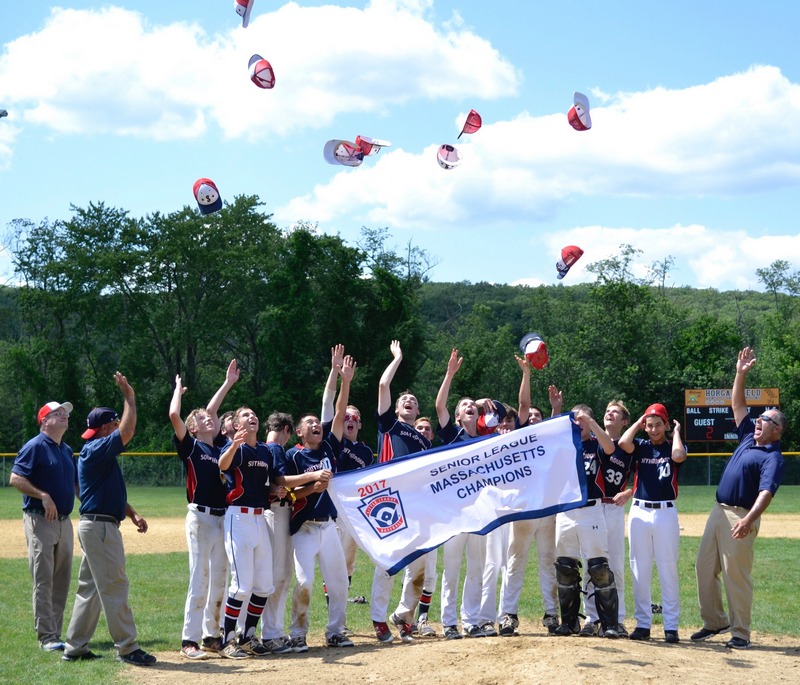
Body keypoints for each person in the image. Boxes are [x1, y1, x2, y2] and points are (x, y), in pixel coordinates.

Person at [693, 347, 786, 650]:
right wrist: (740, 373)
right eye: (760, 417)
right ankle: (715, 621)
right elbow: (737, 403)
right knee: (704, 568)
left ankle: (741, 633)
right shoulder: (748, 434)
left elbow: (766, 492)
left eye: (767, 419)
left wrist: (748, 520)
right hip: (718, 511)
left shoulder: (773, 457)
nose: (759, 420)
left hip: (740, 516)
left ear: (778, 431)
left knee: (736, 576)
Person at [62, 372, 156, 666]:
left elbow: (109, 494)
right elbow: (127, 434)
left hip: (99, 524)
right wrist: (130, 397)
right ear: (106, 428)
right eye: (114, 423)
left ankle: (75, 646)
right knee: (115, 585)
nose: (118, 427)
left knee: (89, 590)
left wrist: (132, 513)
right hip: (100, 528)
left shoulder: (98, 453)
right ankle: (128, 647)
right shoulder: (95, 449)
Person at [280, 355, 357, 651]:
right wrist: (312, 485)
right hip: (304, 528)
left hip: (329, 527)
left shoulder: (328, 447)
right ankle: (298, 633)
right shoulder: (294, 456)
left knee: (339, 584)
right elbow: (284, 491)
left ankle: (335, 632)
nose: (316, 425)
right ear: (299, 432)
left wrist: (345, 380)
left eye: (317, 422)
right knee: (304, 582)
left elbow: (338, 412)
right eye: (309, 423)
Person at [169, 360, 239, 660]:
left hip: (222, 519)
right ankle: (189, 640)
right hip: (199, 517)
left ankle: (213, 636)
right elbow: (174, 414)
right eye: (199, 418)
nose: (207, 418)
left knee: (219, 579)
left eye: (208, 417)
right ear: (193, 427)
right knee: (200, 578)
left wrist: (228, 383)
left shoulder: (221, 447)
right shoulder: (192, 447)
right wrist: (177, 391)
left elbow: (212, 412)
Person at [371, 340, 431, 643]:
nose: (409, 400)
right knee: (388, 561)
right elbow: (383, 383)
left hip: (416, 503)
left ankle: (404, 615)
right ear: (396, 408)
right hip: (390, 499)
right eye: (404, 398)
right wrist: (397, 357)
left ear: (419, 410)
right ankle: (378, 619)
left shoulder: (424, 442)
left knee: (417, 564)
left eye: (414, 399)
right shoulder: (390, 426)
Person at [551, 397, 620, 640]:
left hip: (591, 509)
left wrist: (589, 420)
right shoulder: (564, 444)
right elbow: (548, 437)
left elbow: (611, 449)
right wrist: (557, 410)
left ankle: (609, 624)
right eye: (574, 420)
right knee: (565, 568)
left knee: (599, 568)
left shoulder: (597, 445)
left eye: (581, 420)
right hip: (566, 512)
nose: (576, 424)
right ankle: (569, 622)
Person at [10, 400, 77, 651]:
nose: (64, 416)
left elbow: (74, 485)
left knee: (62, 580)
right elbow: (16, 478)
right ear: (44, 421)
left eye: (65, 414)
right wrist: (43, 495)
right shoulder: (35, 446)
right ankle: (46, 637)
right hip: (40, 519)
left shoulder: (66, 449)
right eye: (57, 413)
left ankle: (56, 634)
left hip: (64, 521)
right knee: (44, 578)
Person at [618, 403, 687, 643]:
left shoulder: (672, 446)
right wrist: (639, 423)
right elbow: (623, 444)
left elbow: (678, 456)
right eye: (650, 425)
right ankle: (643, 623)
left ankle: (671, 626)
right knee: (640, 569)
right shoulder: (641, 446)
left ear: (666, 425)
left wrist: (676, 432)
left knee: (668, 568)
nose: (654, 429)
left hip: (666, 512)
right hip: (639, 511)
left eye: (659, 424)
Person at [217, 404, 278, 659]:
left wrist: (277, 490)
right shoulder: (236, 447)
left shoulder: (264, 450)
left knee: (264, 586)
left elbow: (271, 481)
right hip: (238, 518)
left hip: (259, 519)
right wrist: (233, 444)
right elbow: (222, 465)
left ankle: (248, 636)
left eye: (254, 414)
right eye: (245, 415)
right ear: (236, 424)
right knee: (241, 586)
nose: (252, 417)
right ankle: (227, 641)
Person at [435, 349, 489, 639]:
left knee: (477, 568)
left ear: (478, 413)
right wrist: (450, 374)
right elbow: (440, 405)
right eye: (464, 405)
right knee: (452, 568)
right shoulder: (452, 434)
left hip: (479, 511)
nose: (469, 407)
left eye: (473, 405)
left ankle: (472, 621)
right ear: (458, 416)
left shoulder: (485, 440)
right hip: (455, 511)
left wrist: (485, 404)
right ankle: (449, 622)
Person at [499, 383, 559, 638]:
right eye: (530, 416)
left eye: (538, 416)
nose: (533, 418)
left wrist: (556, 408)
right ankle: (507, 615)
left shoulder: (547, 439)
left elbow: (558, 430)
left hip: (546, 509)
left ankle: (551, 614)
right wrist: (525, 375)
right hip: (523, 510)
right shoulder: (518, 440)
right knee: (515, 562)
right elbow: (523, 405)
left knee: (548, 561)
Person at [592, 400, 634, 637]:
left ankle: (617, 619)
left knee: (615, 565)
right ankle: (592, 618)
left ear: (624, 421)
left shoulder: (630, 448)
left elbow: (644, 476)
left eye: (615, 412)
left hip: (614, 509)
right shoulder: (591, 441)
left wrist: (629, 491)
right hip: (593, 508)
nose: (609, 413)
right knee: (593, 564)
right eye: (607, 410)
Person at [258, 412, 297, 654]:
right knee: (276, 576)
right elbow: (281, 482)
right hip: (275, 513)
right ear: (287, 430)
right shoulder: (275, 449)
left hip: (279, 513)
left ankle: (277, 630)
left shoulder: (267, 449)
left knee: (282, 575)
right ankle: (270, 633)